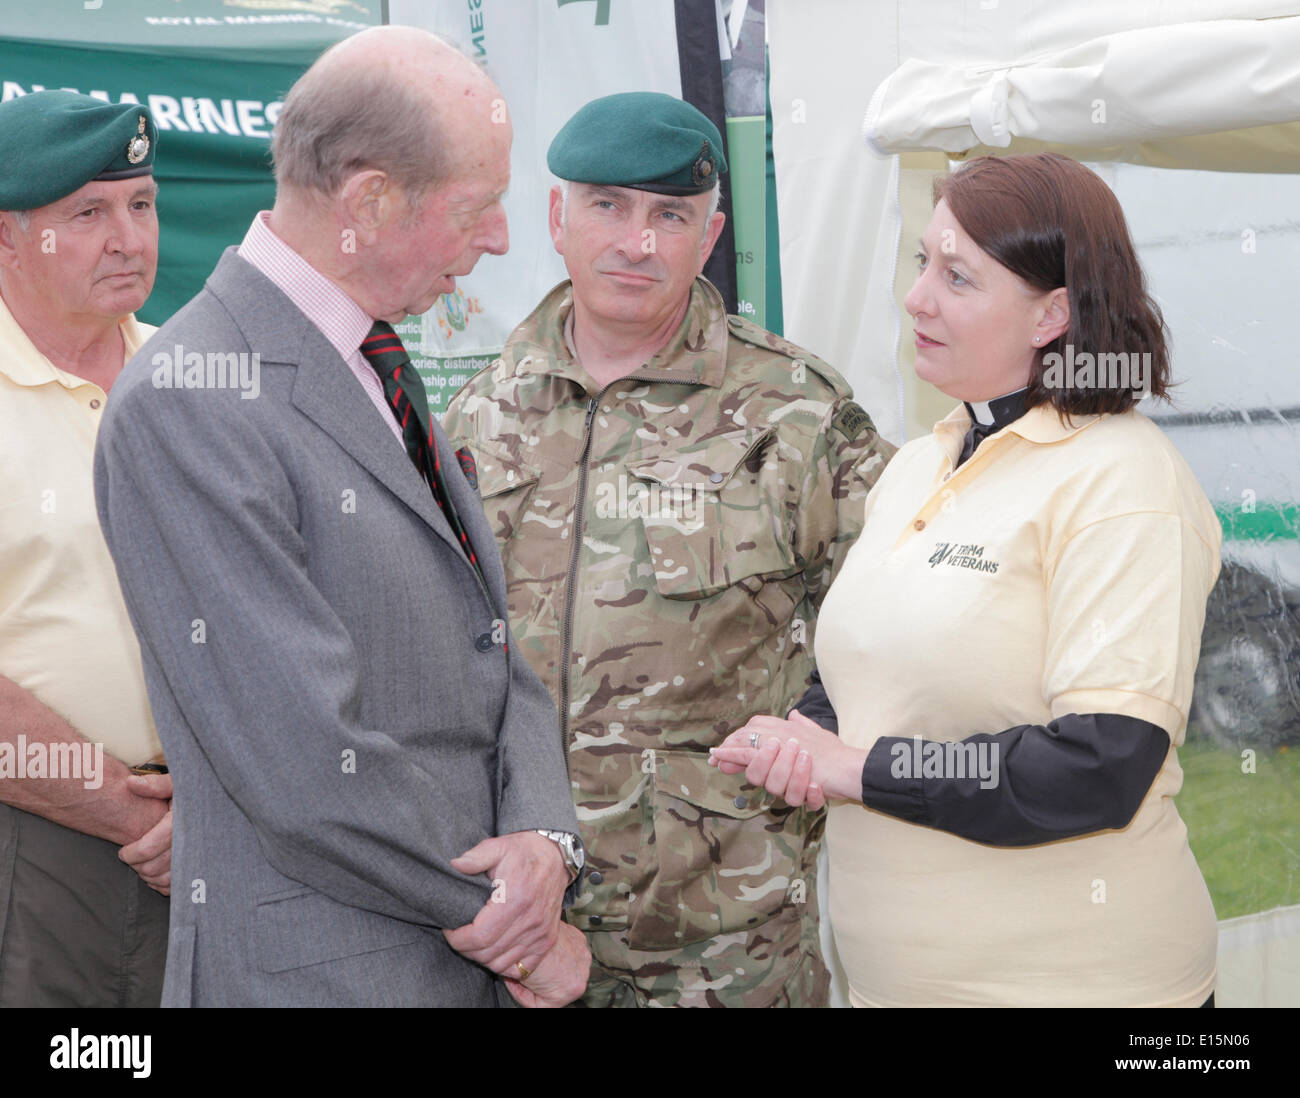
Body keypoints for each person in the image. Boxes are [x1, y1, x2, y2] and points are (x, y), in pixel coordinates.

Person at [93, 26, 587, 1008]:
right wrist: (511, 923)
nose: (498, 239)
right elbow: (304, 753)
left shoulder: (368, 362)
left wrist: (545, 838)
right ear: (368, 201)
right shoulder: (192, 399)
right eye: (476, 208)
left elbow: (492, 645)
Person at [713, 152, 1221, 1007]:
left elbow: (1101, 765)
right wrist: (802, 736)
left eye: (958, 277)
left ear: (1053, 313)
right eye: (922, 263)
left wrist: (854, 770)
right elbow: (865, 675)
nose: (917, 297)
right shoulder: (920, 461)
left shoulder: (1125, 480)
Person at [442, 91, 895, 1007]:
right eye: (607, 205)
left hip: (724, 942)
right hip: (520, 924)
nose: (637, 243)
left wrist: (813, 737)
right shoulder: (478, 414)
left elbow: (890, 621)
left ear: (710, 232)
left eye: (671, 217)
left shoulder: (796, 413)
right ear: (557, 217)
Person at [0, 91, 173, 1007]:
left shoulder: (192, 380)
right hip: (38, 846)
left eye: (141, 204)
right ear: (6, 238)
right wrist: (123, 808)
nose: (128, 237)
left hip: (213, 839)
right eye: (88, 213)